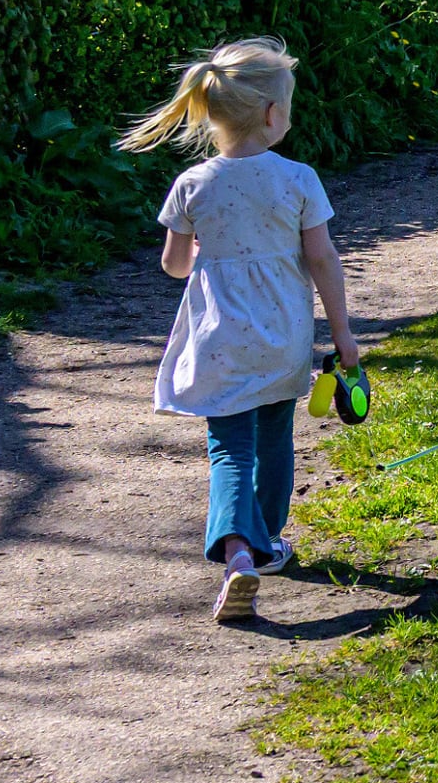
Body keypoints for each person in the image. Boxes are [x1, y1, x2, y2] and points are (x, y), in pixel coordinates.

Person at [126, 38, 361, 623]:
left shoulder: (193, 184)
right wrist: (344, 335)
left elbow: (174, 267)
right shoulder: (299, 178)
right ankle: (266, 543)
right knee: (275, 437)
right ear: (271, 114)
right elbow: (323, 260)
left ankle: (238, 556)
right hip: (282, 337)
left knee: (230, 448)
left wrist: (204, 248)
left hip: (217, 342)